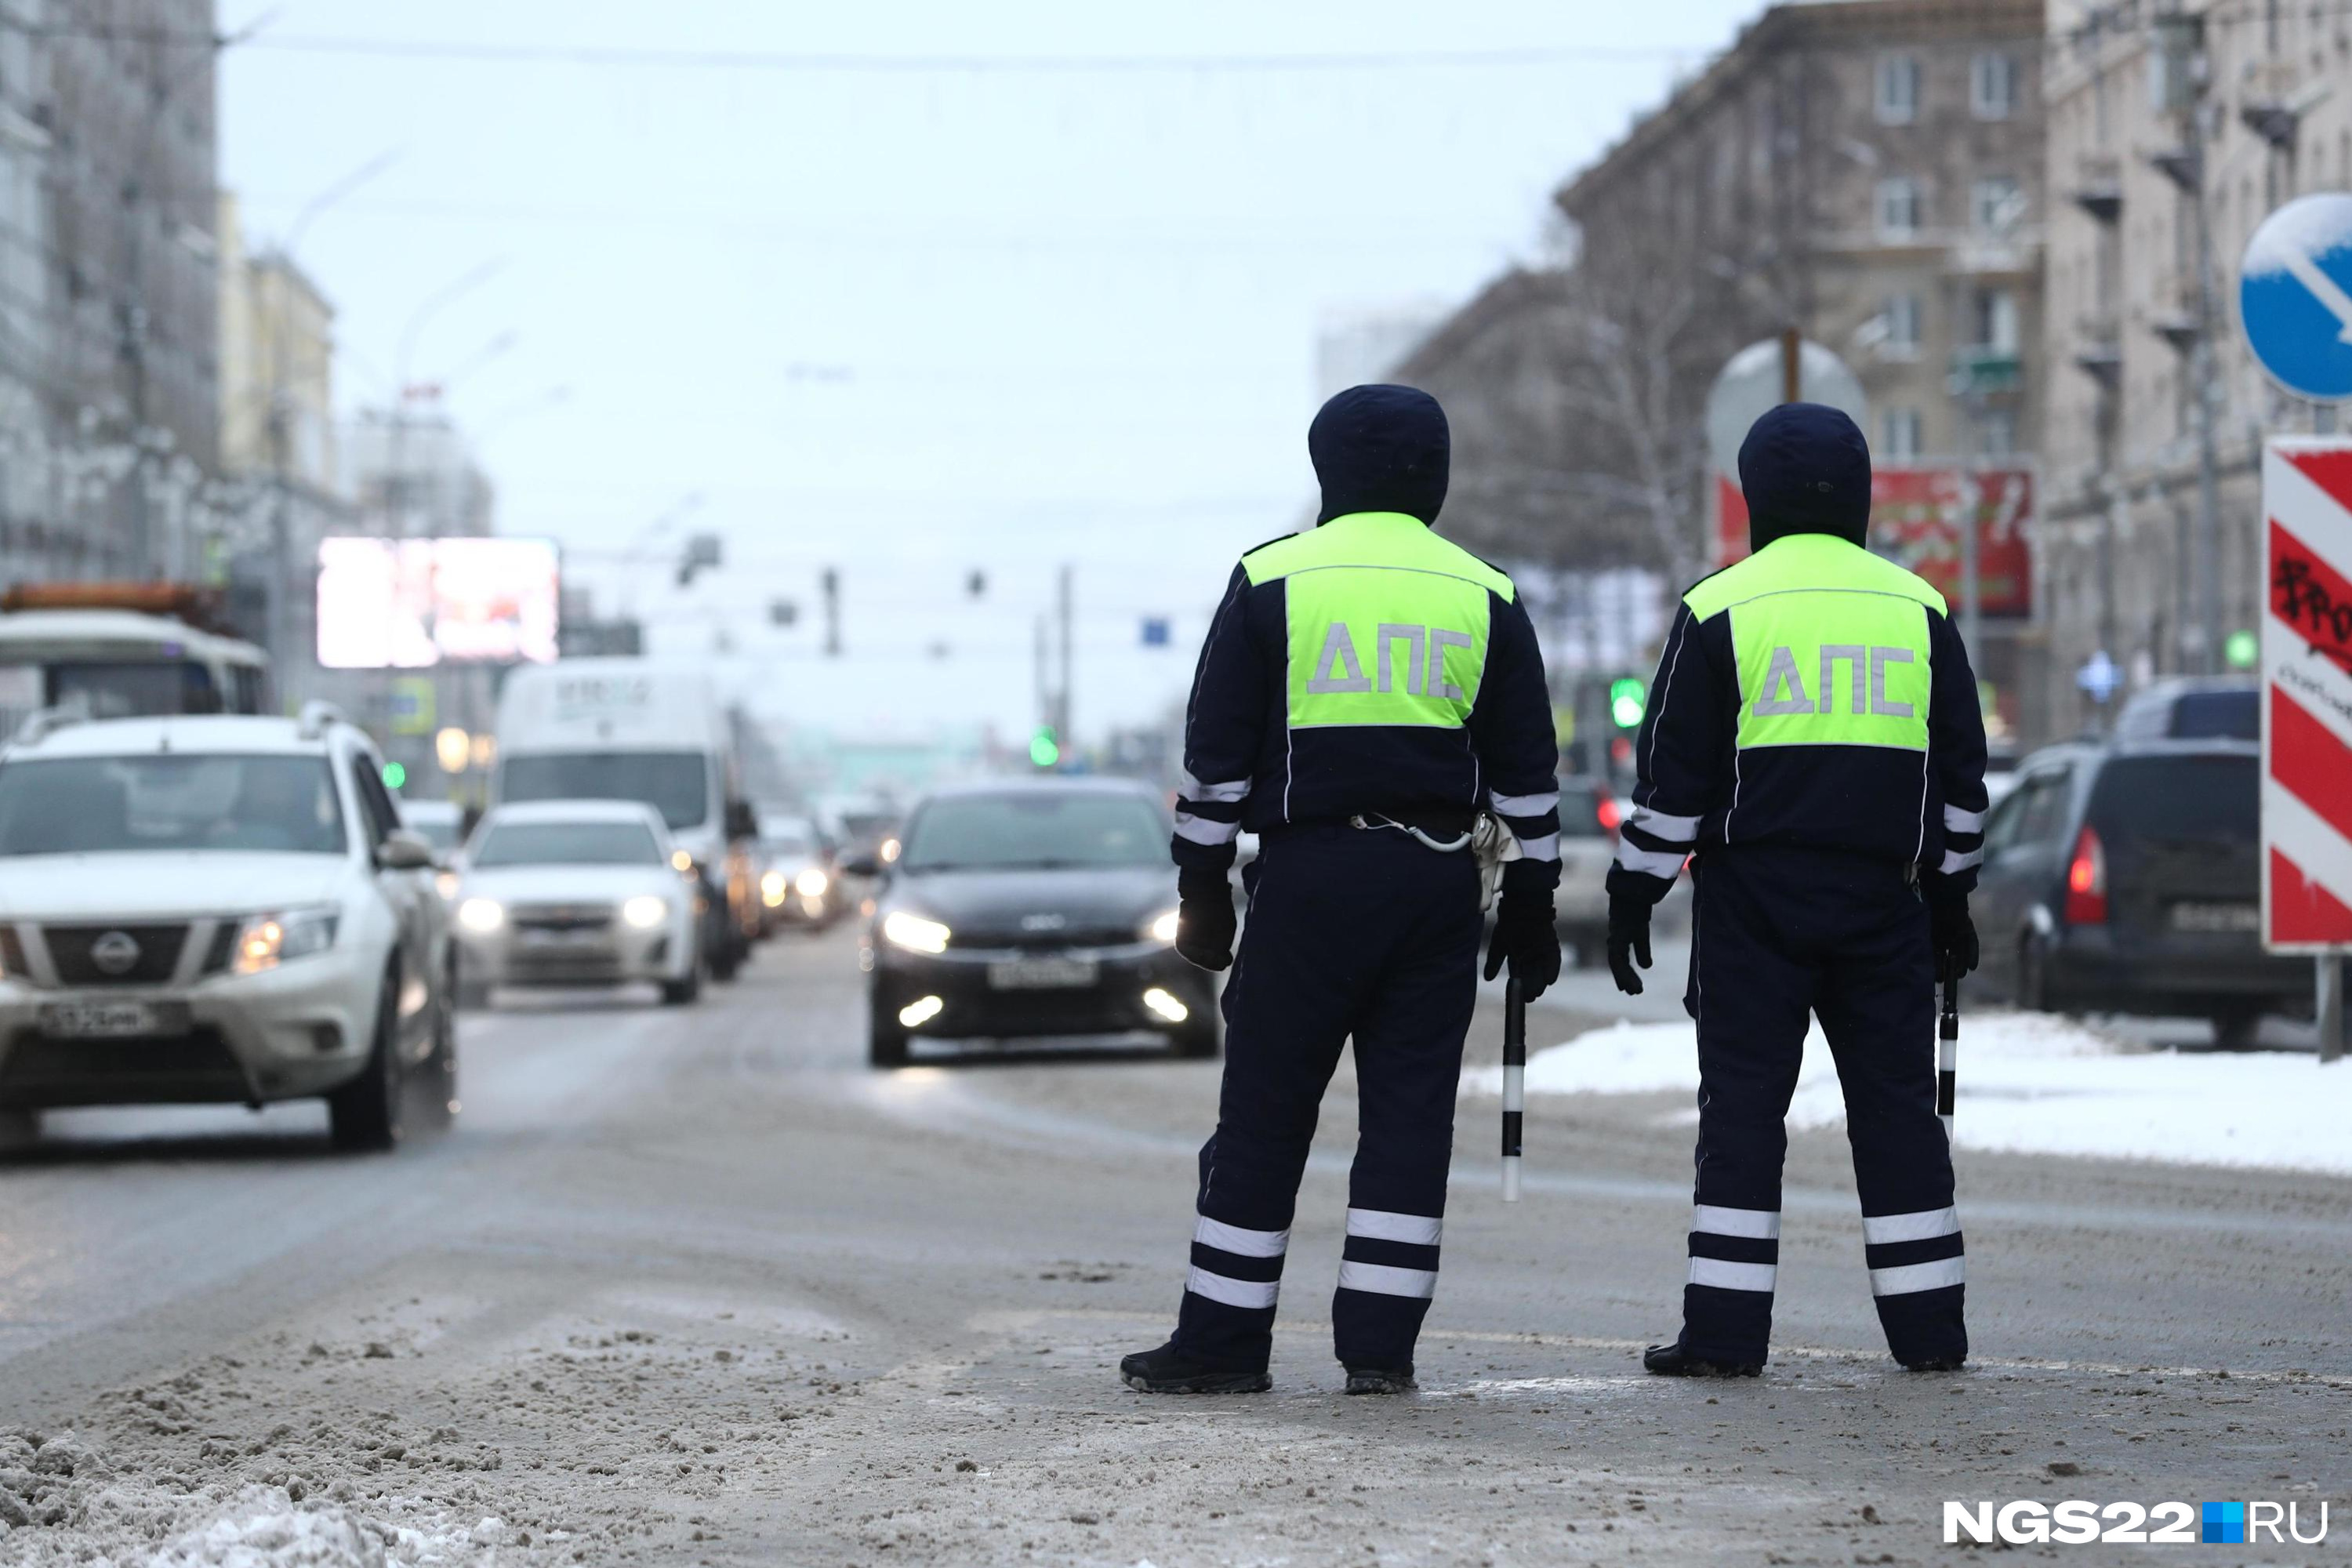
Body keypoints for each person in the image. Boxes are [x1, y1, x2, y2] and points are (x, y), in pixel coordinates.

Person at [1119, 384, 1563, 1396]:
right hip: (1436, 884)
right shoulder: (1482, 591)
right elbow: (1528, 767)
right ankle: (1380, 1351)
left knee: (1266, 1112)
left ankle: (1224, 1343)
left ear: (1329, 473)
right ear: (1435, 476)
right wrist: (1534, 896)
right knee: (1409, 1120)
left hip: (1311, 879)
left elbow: (1217, 755)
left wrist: (1204, 883)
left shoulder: (1271, 576)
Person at [1605, 402, 1988, 1377]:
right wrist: (1950, 901)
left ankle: (1726, 1336)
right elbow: (1960, 780)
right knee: (1899, 1115)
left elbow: (1674, 781)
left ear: (1754, 497)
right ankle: (1930, 1332)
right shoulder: (1920, 609)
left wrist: (1634, 890)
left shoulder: (1718, 607)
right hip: (1884, 903)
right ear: (1860, 493)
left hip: (1753, 905)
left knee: (1741, 1115)